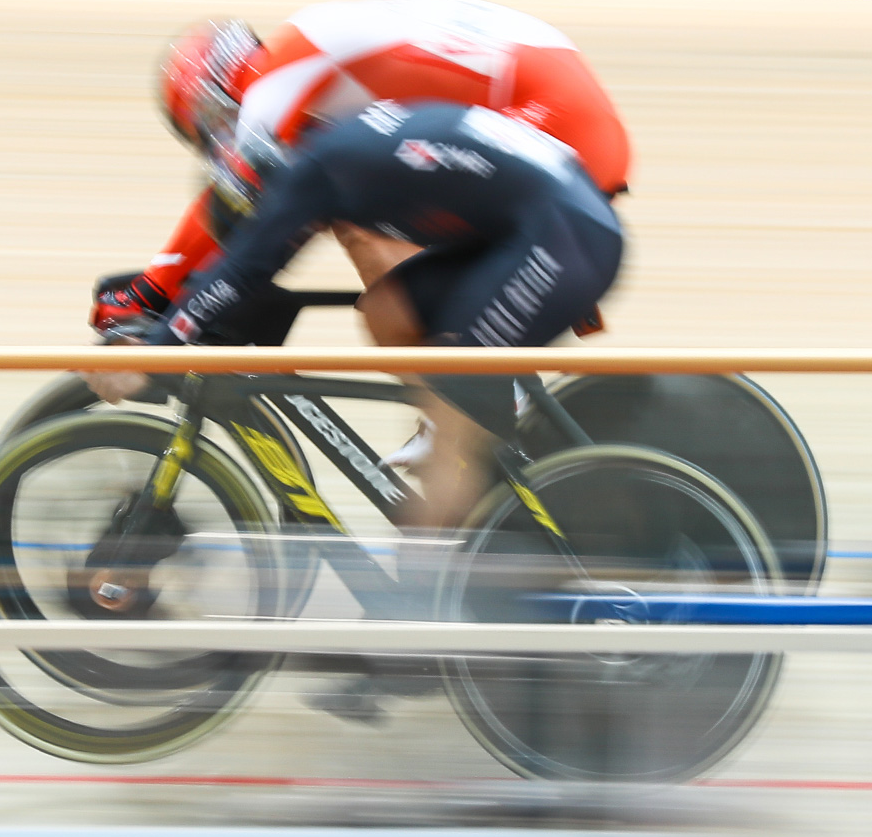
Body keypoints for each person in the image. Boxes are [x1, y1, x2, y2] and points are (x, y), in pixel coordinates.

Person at [87, 97, 624, 533]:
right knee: (386, 308)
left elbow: (242, 268)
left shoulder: (319, 174)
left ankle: (439, 555)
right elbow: (249, 266)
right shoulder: (329, 157)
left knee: (454, 390)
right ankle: (478, 452)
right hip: (541, 221)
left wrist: (157, 344)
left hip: (568, 232)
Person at [90, 0, 631, 337]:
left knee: (350, 218)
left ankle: (463, 389)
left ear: (212, 101)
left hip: (554, 115)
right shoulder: (307, 64)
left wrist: (152, 289)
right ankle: (460, 377)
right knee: (346, 197)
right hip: (557, 98)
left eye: (207, 133)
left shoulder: (275, 77)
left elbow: (236, 199)